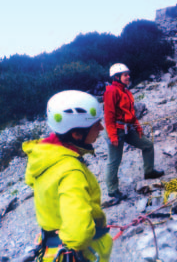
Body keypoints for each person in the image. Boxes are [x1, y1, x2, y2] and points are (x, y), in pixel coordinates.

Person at [23, 90, 112, 262]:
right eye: (96, 124)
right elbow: (79, 235)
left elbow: (32, 181)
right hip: (80, 253)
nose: (101, 128)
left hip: (50, 245)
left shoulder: (43, 154)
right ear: (77, 134)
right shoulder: (71, 171)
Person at [104, 63, 164, 204]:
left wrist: (138, 128)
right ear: (117, 77)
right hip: (116, 131)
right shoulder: (111, 92)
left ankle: (149, 172)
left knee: (147, 145)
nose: (128, 77)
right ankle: (112, 190)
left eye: (128, 74)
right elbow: (109, 116)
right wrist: (113, 136)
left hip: (128, 129)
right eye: (125, 75)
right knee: (114, 161)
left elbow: (131, 113)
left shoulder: (126, 91)